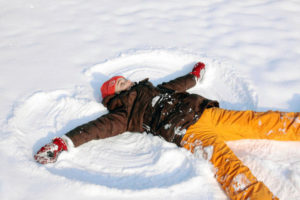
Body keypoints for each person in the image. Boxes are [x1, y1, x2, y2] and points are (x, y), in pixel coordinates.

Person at [34, 62, 299, 200]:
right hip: (190, 134)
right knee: (229, 168)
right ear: (113, 93)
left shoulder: (154, 89)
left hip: (207, 114)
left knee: (258, 121)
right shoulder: (123, 114)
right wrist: (63, 142)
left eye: (121, 78)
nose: (123, 79)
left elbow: (177, 84)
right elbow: (95, 129)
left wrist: (194, 76)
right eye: (117, 82)